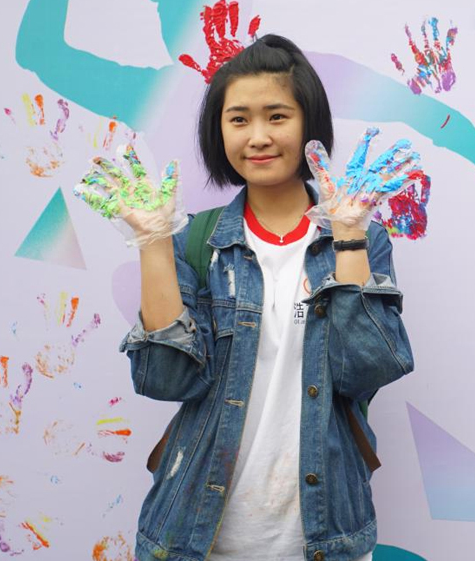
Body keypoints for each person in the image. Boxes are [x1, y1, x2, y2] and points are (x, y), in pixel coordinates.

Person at [73, 34, 419, 561]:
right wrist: (153, 243)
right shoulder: (195, 241)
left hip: (327, 537)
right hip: (195, 537)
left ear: (309, 124)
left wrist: (348, 236)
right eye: (239, 119)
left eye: (277, 116)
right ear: (219, 131)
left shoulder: (361, 238)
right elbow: (167, 380)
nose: (258, 136)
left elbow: (365, 370)